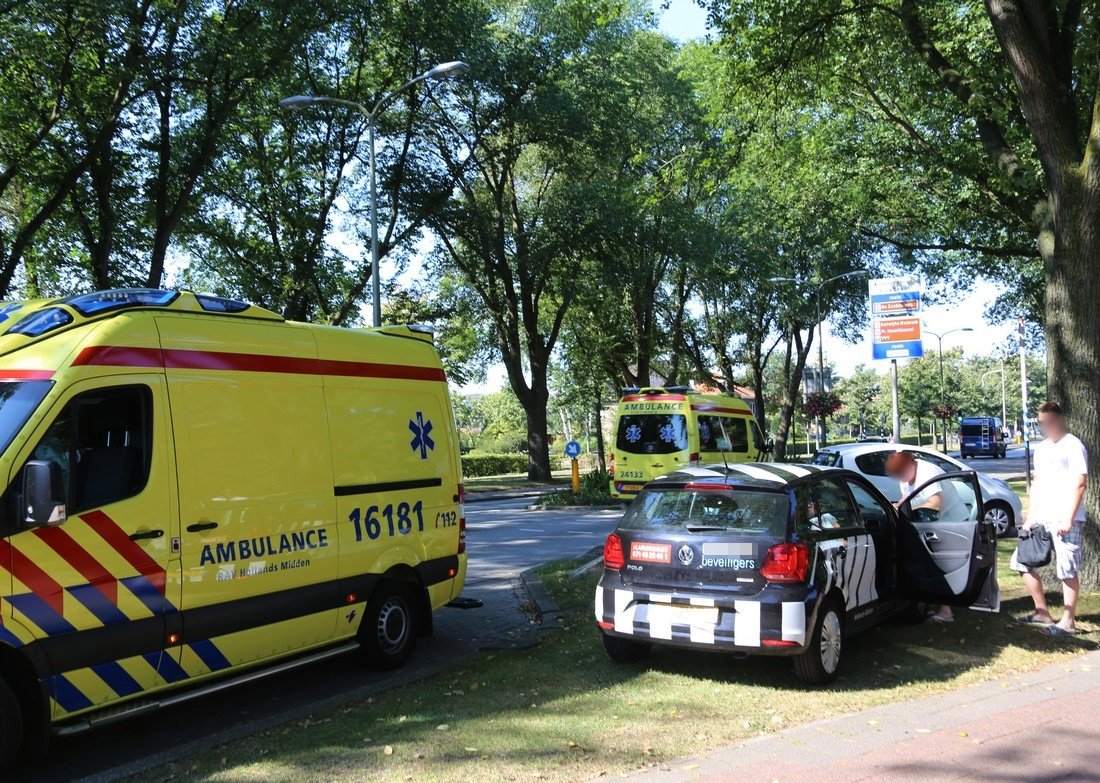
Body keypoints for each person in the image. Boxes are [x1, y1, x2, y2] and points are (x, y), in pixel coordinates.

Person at [1012, 402, 1089, 635]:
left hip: (1066, 518)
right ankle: (1042, 612)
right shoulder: (1042, 448)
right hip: (1042, 518)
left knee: (1067, 568)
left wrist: (1069, 518)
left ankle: (1068, 622)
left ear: (1060, 420)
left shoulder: (1073, 446)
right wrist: (1030, 517)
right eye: (1042, 423)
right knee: (1021, 562)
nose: (1046, 427)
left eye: (1050, 422)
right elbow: (1037, 483)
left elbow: (1080, 484)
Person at [884, 450, 966, 624]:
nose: (900, 478)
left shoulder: (928, 472)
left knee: (939, 566)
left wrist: (906, 508)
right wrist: (895, 508)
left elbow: (935, 504)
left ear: (910, 465)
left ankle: (946, 611)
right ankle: (936, 602)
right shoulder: (906, 476)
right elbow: (906, 497)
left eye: (901, 473)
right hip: (931, 524)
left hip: (952, 523)